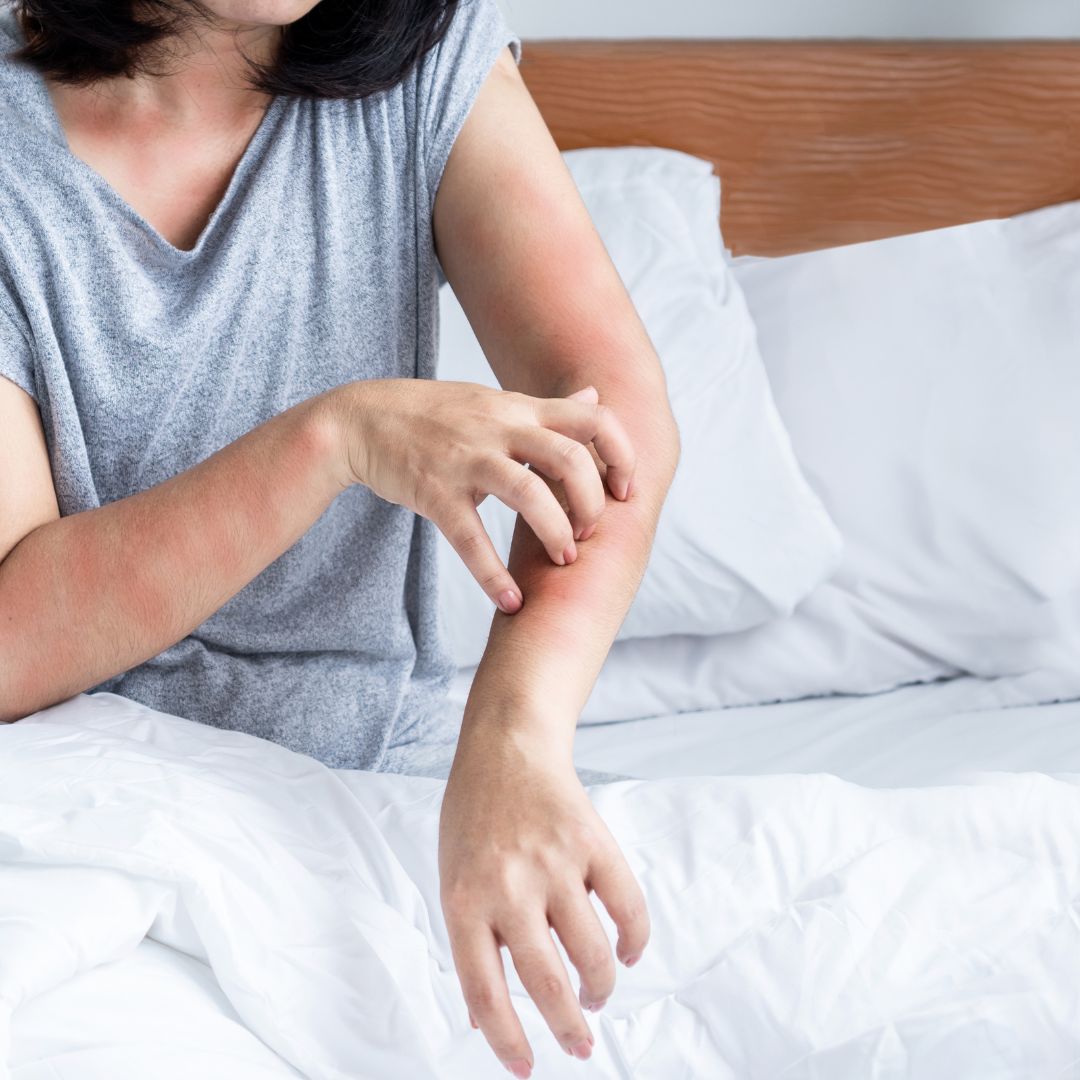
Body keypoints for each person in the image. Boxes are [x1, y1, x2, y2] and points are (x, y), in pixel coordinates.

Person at [0, 0, 680, 1074]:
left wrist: (515, 745)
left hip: (378, 790)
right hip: (73, 804)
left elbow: (612, 426)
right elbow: (12, 637)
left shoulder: (426, 69)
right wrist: (332, 440)